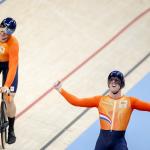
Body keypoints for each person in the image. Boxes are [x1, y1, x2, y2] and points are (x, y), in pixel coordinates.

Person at [54, 70, 150, 150]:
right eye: (111, 80)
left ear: (122, 84)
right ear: (108, 83)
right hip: (102, 143)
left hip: (119, 143)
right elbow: (76, 101)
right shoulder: (100, 100)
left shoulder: (130, 101)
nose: (113, 82)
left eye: (116, 80)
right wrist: (60, 89)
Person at [0, 17, 19, 144]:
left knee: (9, 98)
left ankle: (11, 129)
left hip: (8, 66)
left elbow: (13, 67)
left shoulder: (14, 43)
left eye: (7, 34)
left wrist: (6, 85)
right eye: (1, 32)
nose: (3, 35)